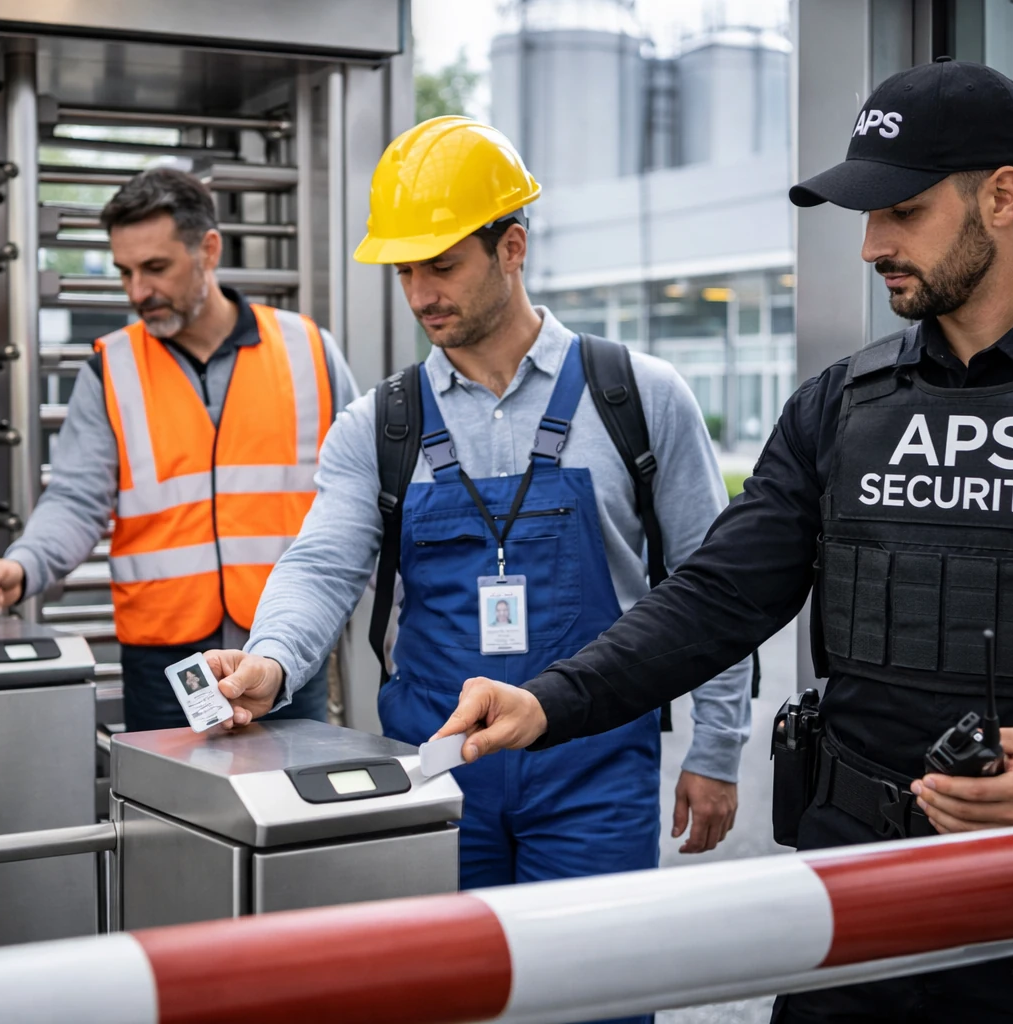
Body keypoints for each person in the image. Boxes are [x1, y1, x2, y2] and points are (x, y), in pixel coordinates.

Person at [432, 60, 1013, 1024]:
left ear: (1003, 195)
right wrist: (547, 700)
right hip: (852, 909)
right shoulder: (840, 405)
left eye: (900, 210)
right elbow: (716, 598)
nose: (870, 246)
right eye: (865, 215)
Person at [201, 115, 753, 991]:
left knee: (595, 1000)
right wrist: (271, 660)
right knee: (444, 999)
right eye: (405, 271)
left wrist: (717, 751)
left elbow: (714, 587)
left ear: (513, 248)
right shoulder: (380, 427)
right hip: (433, 773)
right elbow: (322, 564)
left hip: (595, 771)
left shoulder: (638, 399)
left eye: (443, 264)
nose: (421, 294)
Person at [0, 168, 359, 729]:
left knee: (289, 808)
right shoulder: (111, 369)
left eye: (155, 268)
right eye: (124, 271)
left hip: (284, 645)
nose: (137, 291)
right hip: (166, 657)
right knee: (169, 812)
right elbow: (77, 500)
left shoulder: (310, 351)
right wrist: (22, 565)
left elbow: (362, 500)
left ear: (209, 249)